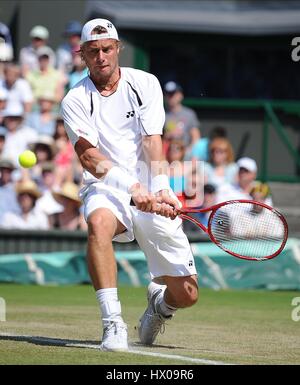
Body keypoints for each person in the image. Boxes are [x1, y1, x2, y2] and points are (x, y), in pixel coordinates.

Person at [61, 18, 198, 352]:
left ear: (118, 48)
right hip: (105, 185)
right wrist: (133, 188)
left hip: (149, 184)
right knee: (98, 223)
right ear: (82, 55)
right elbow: (90, 159)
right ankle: (113, 323)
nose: (101, 57)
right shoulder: (74, 100)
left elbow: (153, 140)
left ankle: (160, 306)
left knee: (187, 295)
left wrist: (161, 186)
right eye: (93, 51)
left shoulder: (144, 83)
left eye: (107, 49)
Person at [163, 81, 200, 154]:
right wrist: (168, 135)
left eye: (173, 94)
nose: (170, 97)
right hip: (167, 154)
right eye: (168, 94)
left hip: (185, 153)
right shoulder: (161, 114)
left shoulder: (189, 114)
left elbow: (196, 137)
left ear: (180, 95)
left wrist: (188, 152)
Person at [0, 158, 20, 223]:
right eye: (3, 171)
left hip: (12, 226)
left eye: (8, 171)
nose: (5, 174)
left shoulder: (17, 189)